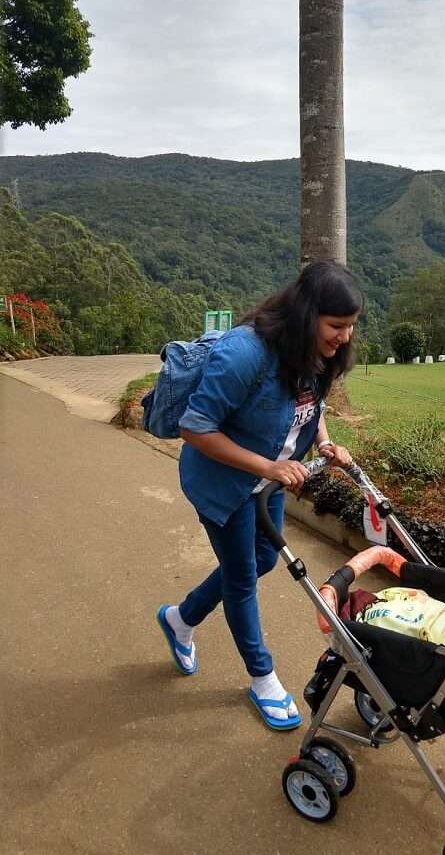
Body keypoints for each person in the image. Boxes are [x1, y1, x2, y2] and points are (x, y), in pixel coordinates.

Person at [156, 260, 361, 730]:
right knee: (243, 575)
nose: (344, 338)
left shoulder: (314, 353)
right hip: (226, 483)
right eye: (336, 326)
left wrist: (324, 442)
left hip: (268, 481)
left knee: (262, 560)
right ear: (307, 315)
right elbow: (195, 426)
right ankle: (261, 675)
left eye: (351, 326)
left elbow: (312, 403)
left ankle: (180, 619)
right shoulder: (245, 353)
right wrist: (269, 466)